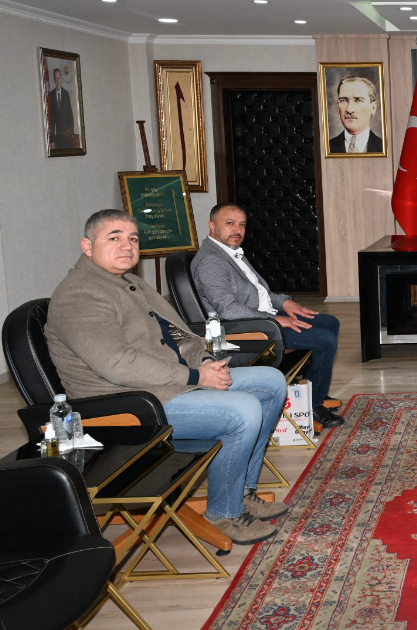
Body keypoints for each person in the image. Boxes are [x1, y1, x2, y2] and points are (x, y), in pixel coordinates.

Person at [45, 210, 289, 544]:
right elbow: (117, 364)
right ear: (87, 246)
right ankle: (224, 513)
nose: (127, 246)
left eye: (133, 239)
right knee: (243, 410)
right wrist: (195, 376)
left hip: (166, 385)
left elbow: (179, 336)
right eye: (114, 237)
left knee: (270, 382)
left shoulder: (128, 282)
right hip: (126, 404)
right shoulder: (80, 295)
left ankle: (241, 492)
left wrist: (207, 362)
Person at [191, 203, 344, 429]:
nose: (237, 230)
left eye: (242, 225)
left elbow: (259, 293)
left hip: (262, 319)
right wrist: (274, 320)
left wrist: (285, 302)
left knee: (329, 322)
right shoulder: (211, 262)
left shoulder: (230, 252)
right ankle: (313, 406)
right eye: (230, 223)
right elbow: (228, 310)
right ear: (212, 226)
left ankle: (311, 388)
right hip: (245, 330)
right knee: (325, 340)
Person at [328, 76, 383, 154]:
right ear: (338, 107)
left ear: (373, 108)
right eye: (343, 100)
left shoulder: (385, 148)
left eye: (358, 100)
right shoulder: (327, 148)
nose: (349, 109)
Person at [47, 67, 75, 150]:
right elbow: (51, 120)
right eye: (56, 78)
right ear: (54, 79)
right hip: (57, 137)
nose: (57, 81)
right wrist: (52, 140)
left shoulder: (66, 94)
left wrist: (71, 134)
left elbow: (70, 115)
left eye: (59, 78)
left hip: (67, 136)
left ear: (61, 78)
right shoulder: (51, 95)